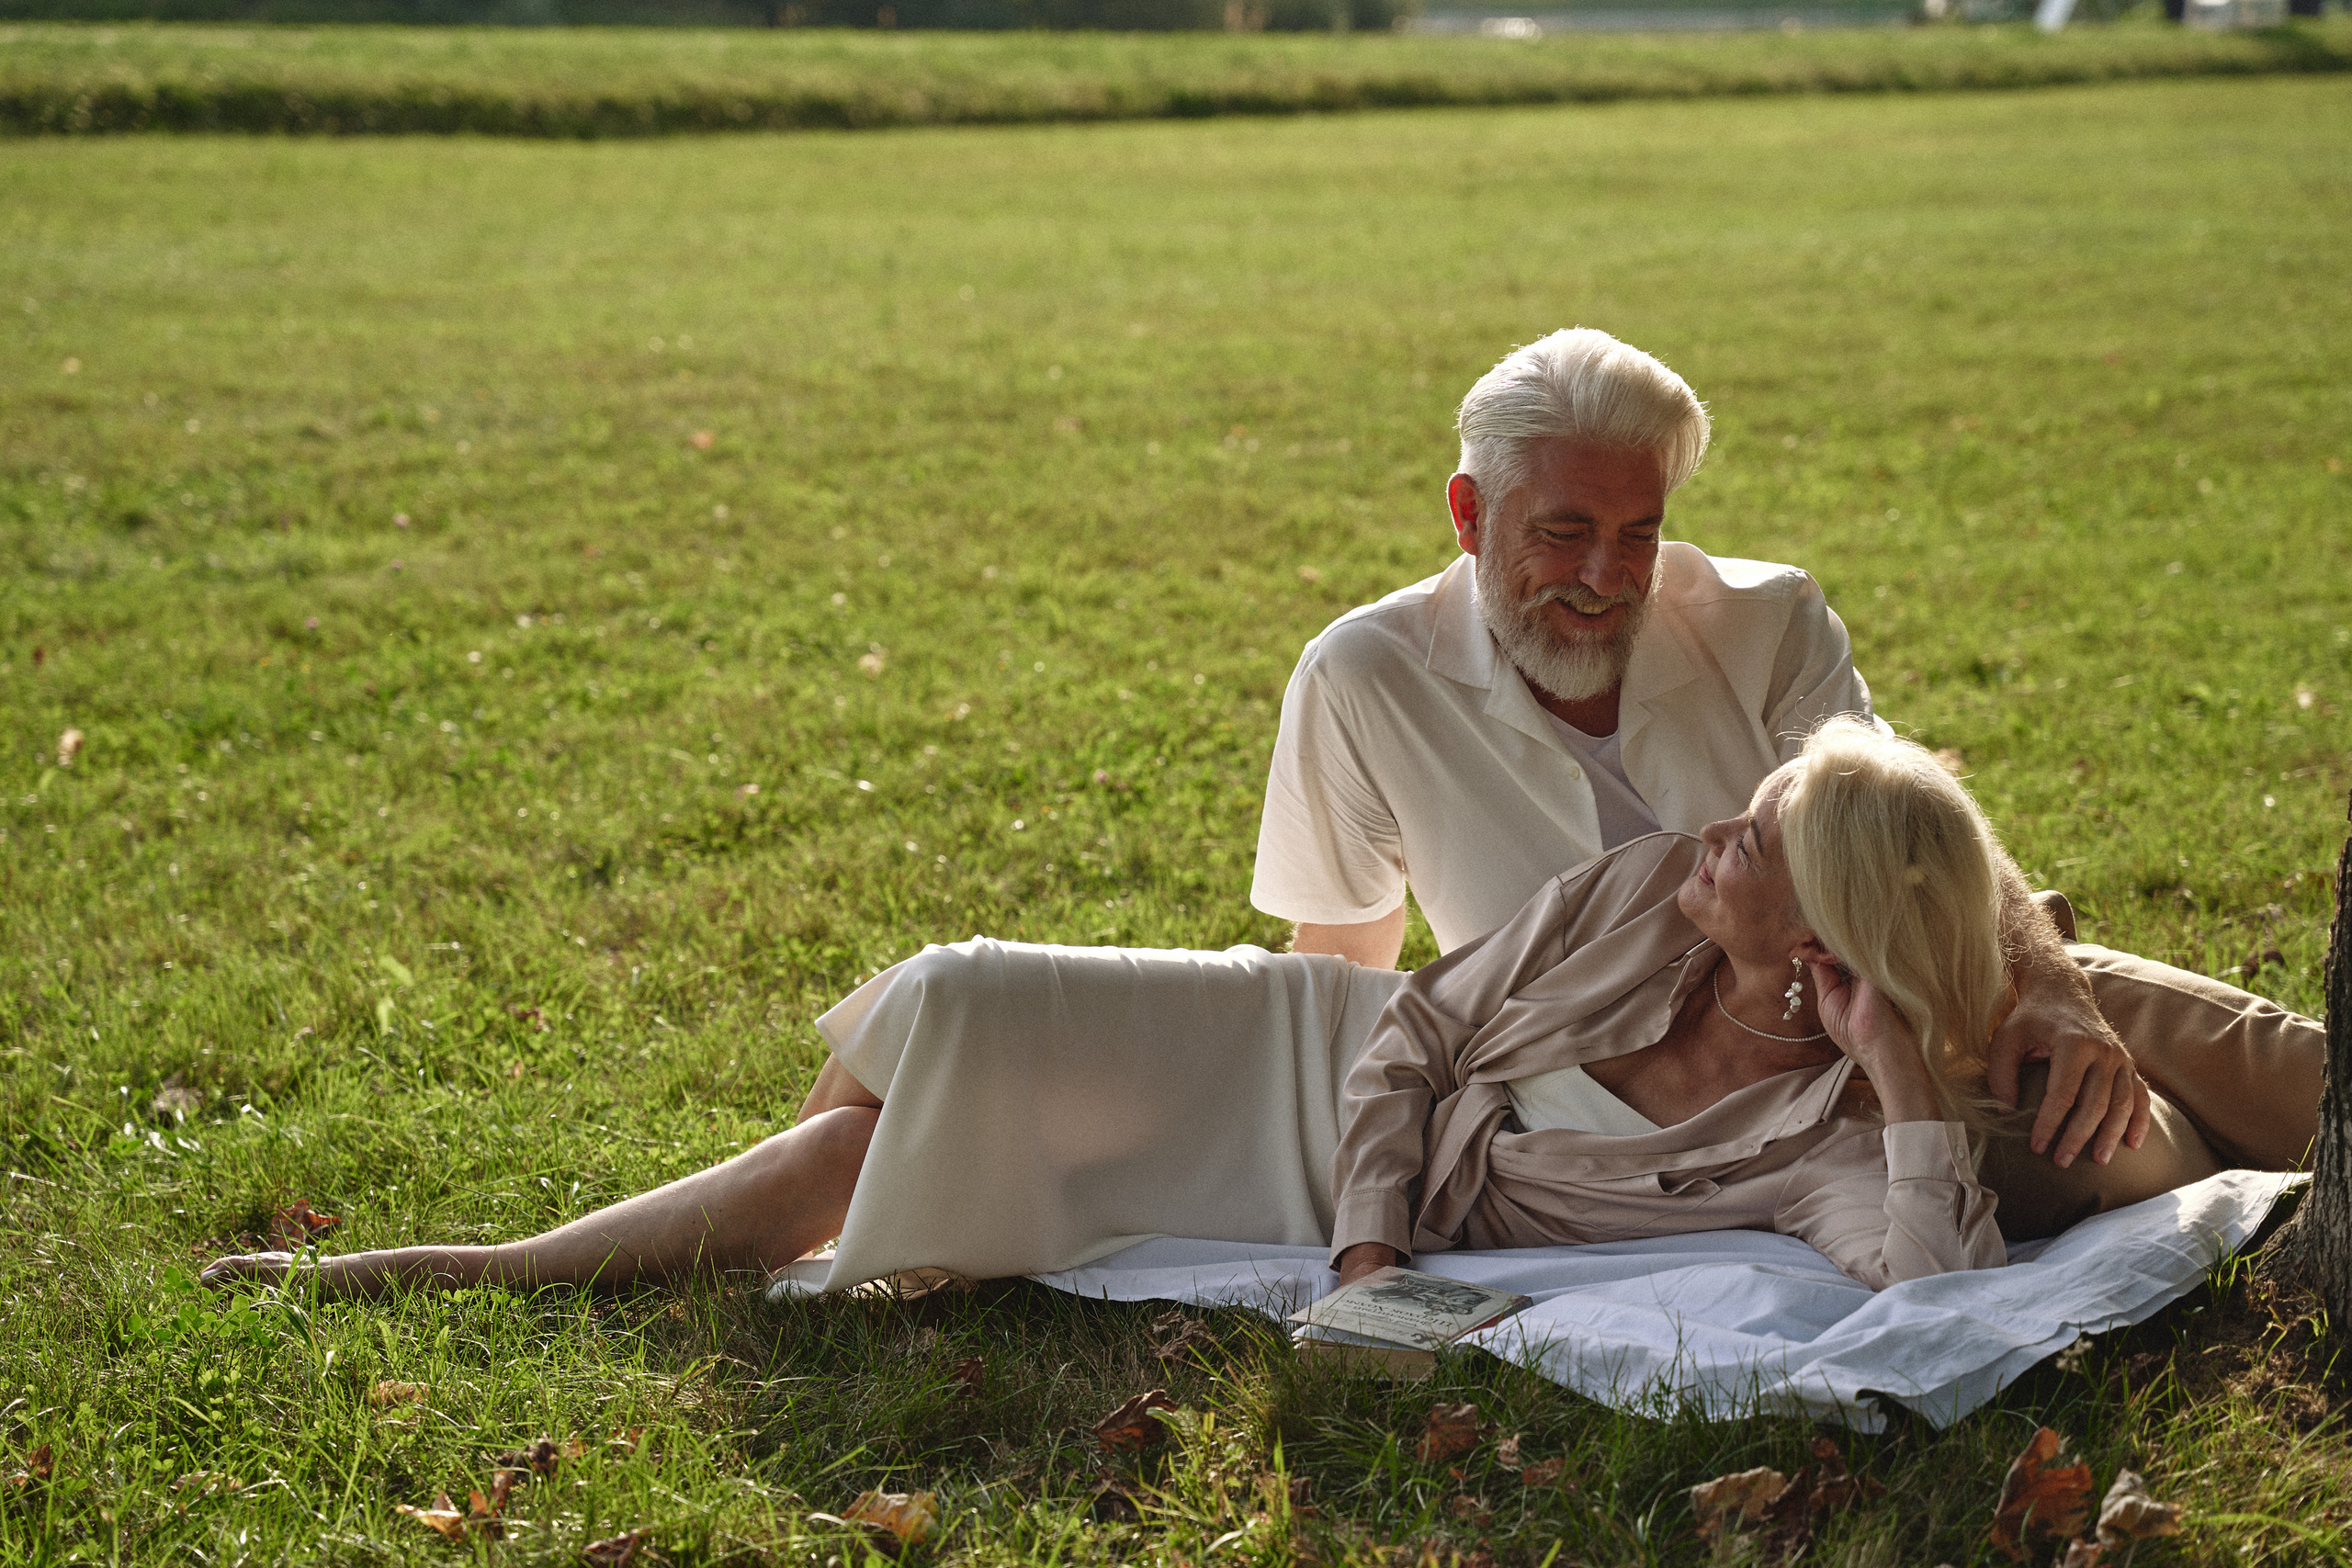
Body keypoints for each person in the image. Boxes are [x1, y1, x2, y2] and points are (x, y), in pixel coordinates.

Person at [201, 724, 2312, 1303]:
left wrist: (1909, 1083)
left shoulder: (1849, 1134)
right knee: (959, 1005)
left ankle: (494, 1258)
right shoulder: (1628, 908)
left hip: (1277, 1164)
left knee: (874, 1144)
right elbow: (1397, 1029)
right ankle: (535, 1249)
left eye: (1747, 835)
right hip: (1301, 1082)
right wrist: (1378, 1242)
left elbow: (1925, 1280)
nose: (1708, 832)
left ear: (1835, 944)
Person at [1250, 326, 2308, 1235]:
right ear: (1469, 516)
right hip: (1716, 1112)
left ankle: (2281, 1136)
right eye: (1563, 531)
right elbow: (1344, 971)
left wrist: (2051, 986)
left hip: (1873, 991)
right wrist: (1365, 1205)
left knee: (2134, 1018)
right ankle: (2254, 1185)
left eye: (1640, 533)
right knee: (2107, 1145)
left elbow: (1906, 841)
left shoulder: (1765, 618)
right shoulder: (1361, 675)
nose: (1604, 576)